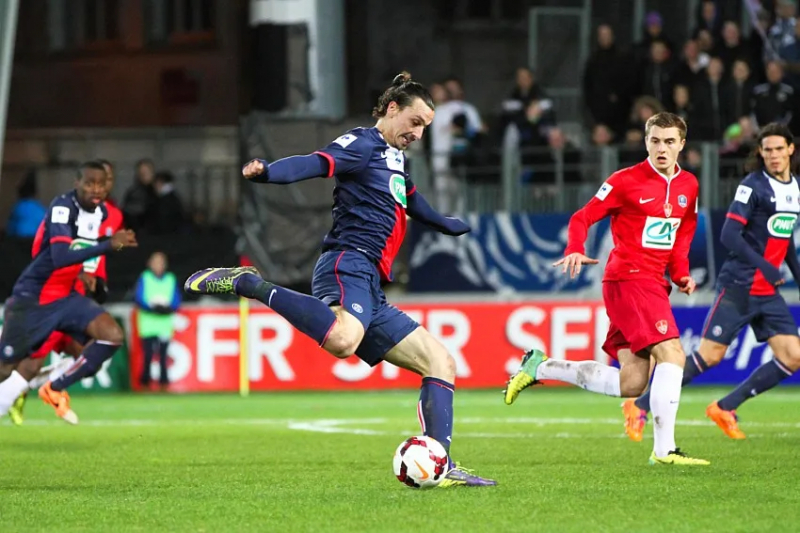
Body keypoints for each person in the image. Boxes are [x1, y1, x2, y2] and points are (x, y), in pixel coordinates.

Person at [185, 72, 495, 487]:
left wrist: (444, 223)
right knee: (344, 340)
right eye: (416, 122)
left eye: (425, 127)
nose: (419, 134)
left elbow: (409, 198)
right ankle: (250, 284)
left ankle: (442, 462)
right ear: (392, 109)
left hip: (371, 282)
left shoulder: (395, 157)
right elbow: (316, 162)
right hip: (347, 262)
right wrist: (269, 171)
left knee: (441, 361)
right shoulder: (363, 144)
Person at [504, 112, 709, 466]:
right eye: (655, 141)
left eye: (669, 142)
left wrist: (680, 274)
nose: (662, 149)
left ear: (682, 144)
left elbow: (682, 233)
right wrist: (574, 247)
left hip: (653, 283)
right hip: (629, 278)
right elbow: (582, 217)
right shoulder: (624, 181)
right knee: (673, 354)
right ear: (646, 142)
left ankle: (541, 367)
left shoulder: (689, 185)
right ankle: (665, 450)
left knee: (632, 383)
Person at [623, 123, 800, 441]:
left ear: (790, 149)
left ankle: (724, 407)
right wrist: (765, 265)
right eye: (767, 150)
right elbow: (729, 234)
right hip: (739, 284)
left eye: (778, 148)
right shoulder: (753, 186)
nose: (773, 155)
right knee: (710, 356)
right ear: (760, 153)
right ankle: (639, 405)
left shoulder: (795, 188)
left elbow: (783, 236)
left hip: (767, 291)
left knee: (793, 356)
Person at [0, 161, 137, 424]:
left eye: (102, 183)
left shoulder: (101, 213)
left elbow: (81, 251)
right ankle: (17, 393)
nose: (96, 189)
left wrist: (88, 273)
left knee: (110, 337)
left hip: (68, 295)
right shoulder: (63, 208)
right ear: (77, 184)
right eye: (90, 183)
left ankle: (54, 388)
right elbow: (61, 256)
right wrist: (108, 245)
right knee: (7, 368)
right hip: (37, 297)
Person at [135, 252, 180, 389]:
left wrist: (168, 308)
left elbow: (176, 299)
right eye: (155, 262)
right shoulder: (145, 277)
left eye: (160, 263)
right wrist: (152, 308)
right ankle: (145, 382)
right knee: (148, 354)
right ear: (150, 264)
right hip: (148, 324)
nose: (158, 266)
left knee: (163, 355)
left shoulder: (170, 279)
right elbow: (139, 297)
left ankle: (163, 382)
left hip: (164, 324)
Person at [6, 170, 46, 239]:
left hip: (18, 239)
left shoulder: (18, 207)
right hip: (34, 239)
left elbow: (10, 229)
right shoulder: (40, 209)